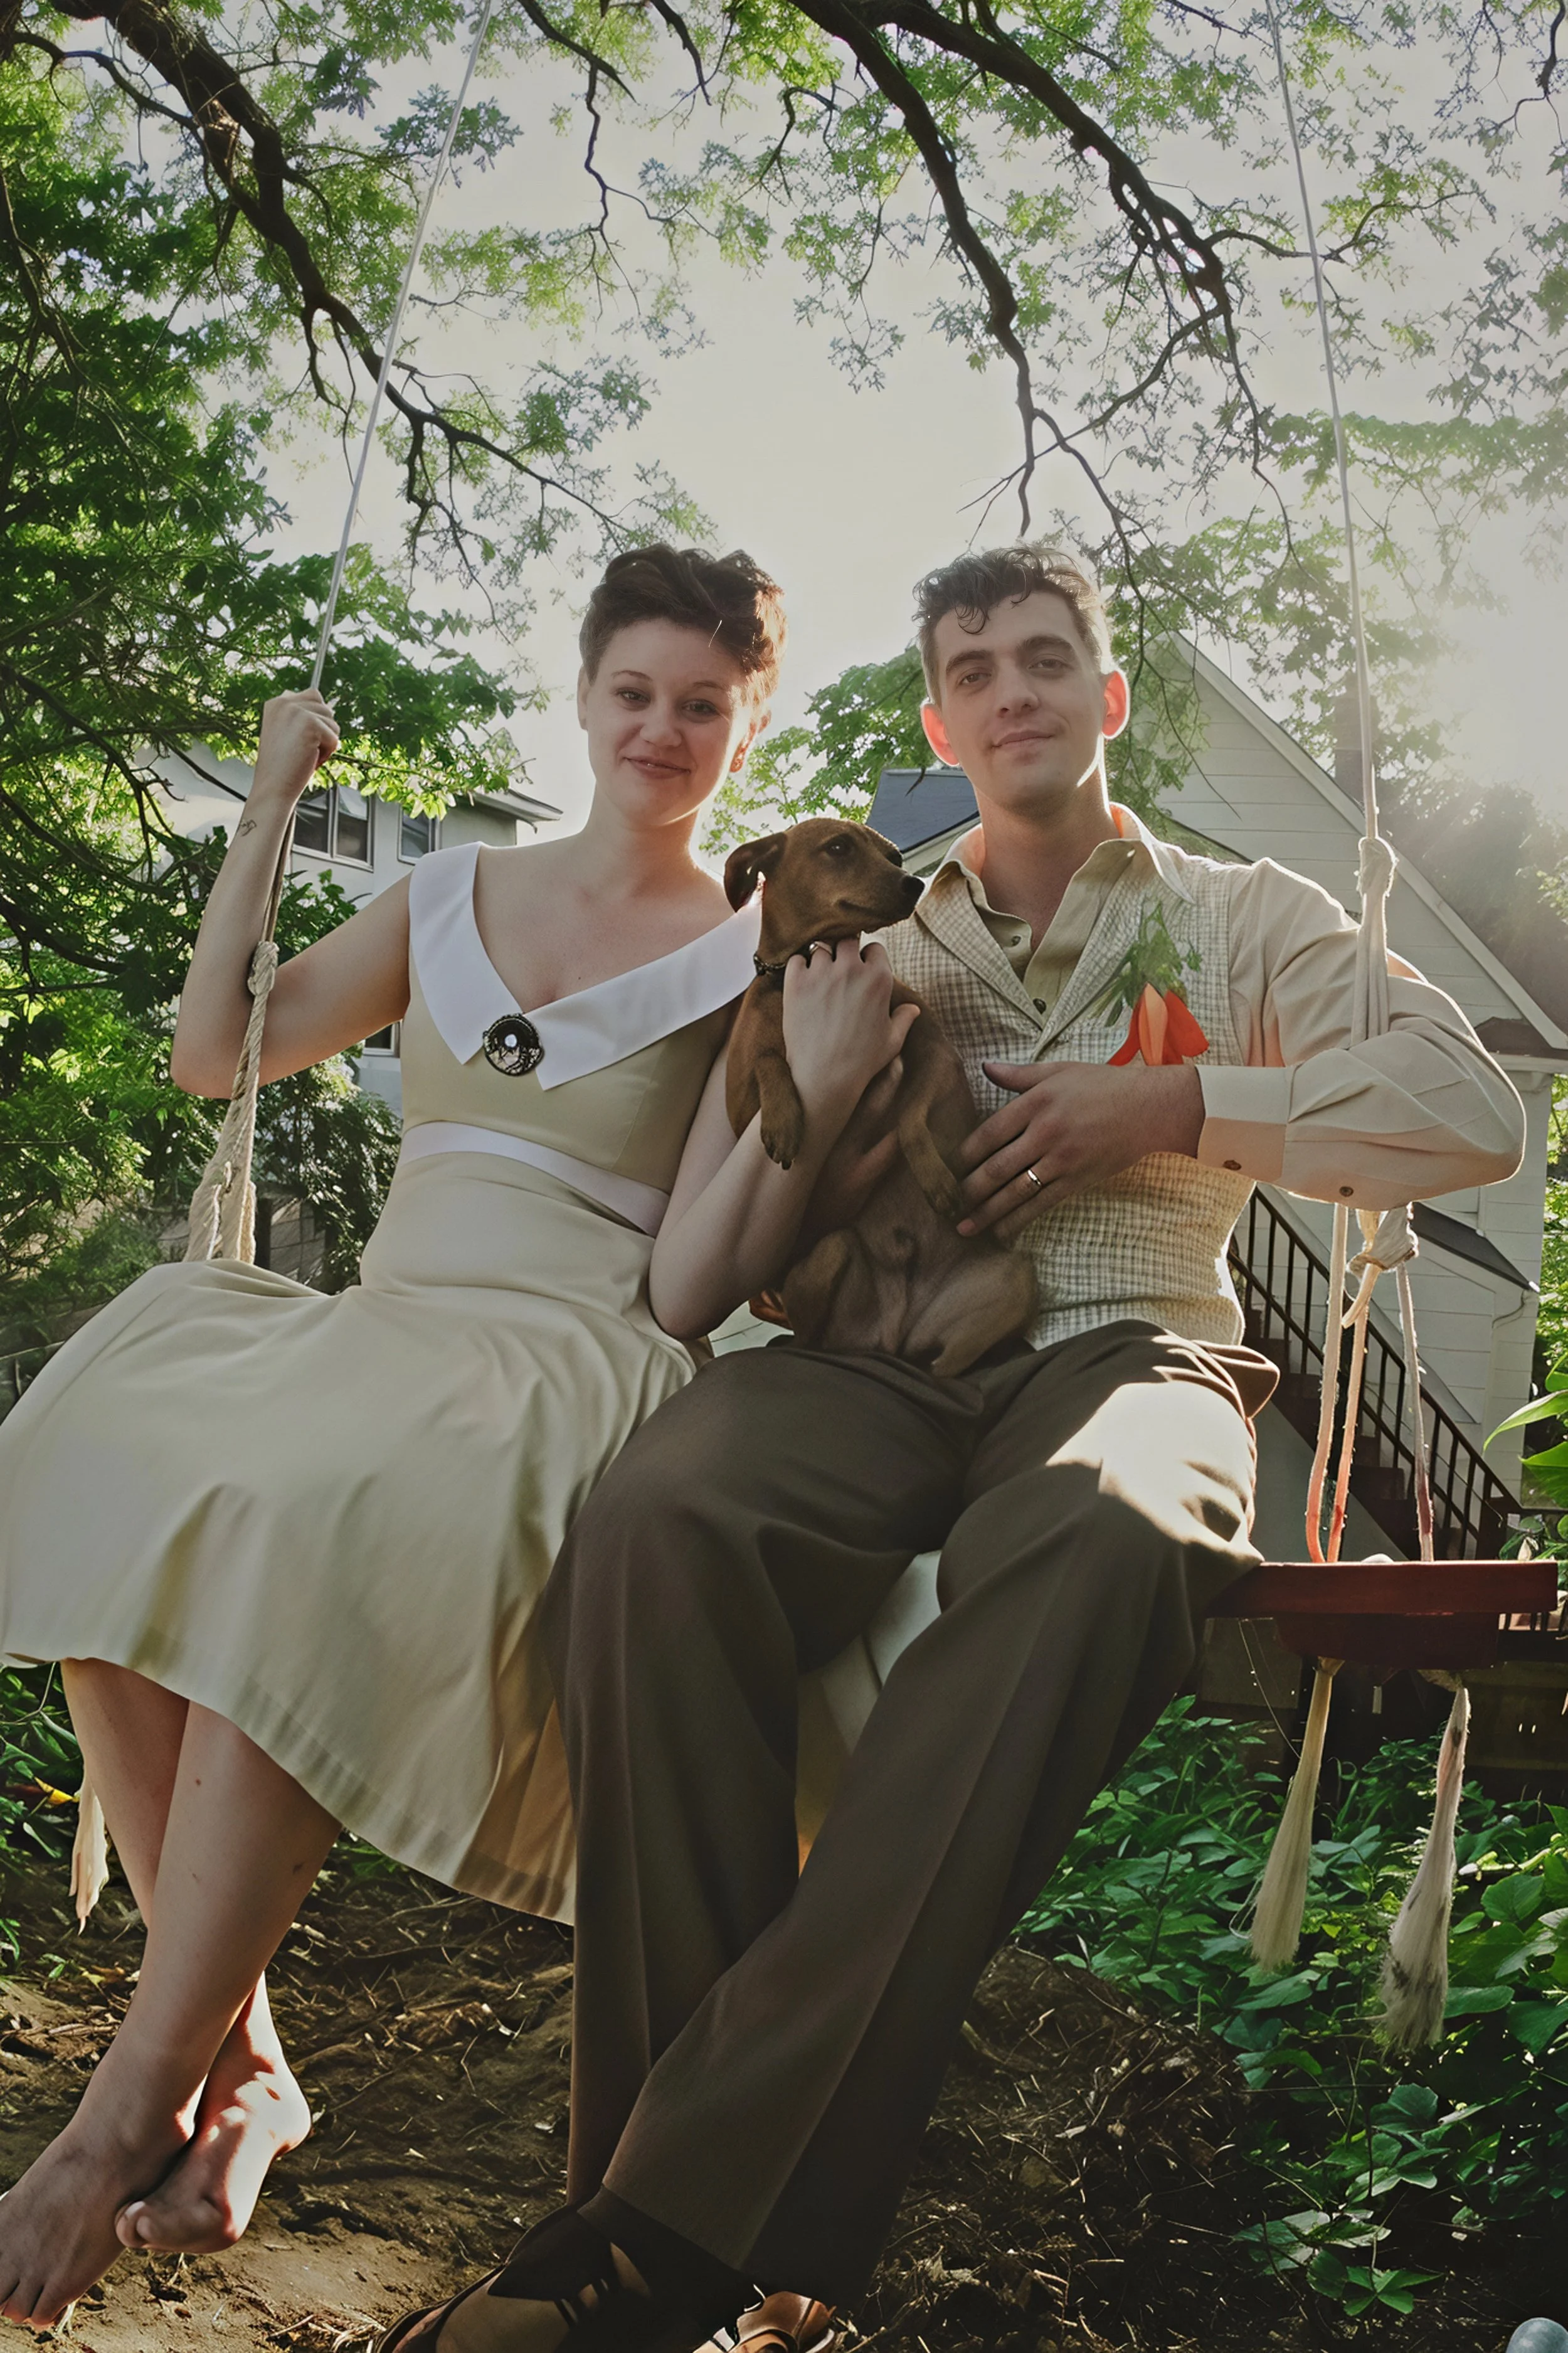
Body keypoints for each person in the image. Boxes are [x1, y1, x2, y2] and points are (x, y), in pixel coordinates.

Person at [379, 543, 1528, 2353]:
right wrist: (817, 1088)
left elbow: (1469, 1111)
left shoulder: (1245, 919)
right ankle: (662, 2223)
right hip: (874, 1361)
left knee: (1101, 1523)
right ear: (938, 718)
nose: (1011, 690)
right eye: (973, 666)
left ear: (1104, 697)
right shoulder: (872, 941)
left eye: (1046, 658)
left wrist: (1177, 1100)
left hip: (1130, 1341)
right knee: (666, 1507)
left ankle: (632, 2251)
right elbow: (711, 1231)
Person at [0, 545, 908, 2337]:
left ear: (746, 725)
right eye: (634, 691)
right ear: (580, 695)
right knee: (103, 1448)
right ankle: (245, 2059)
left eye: (702, 705)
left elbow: (694, 1267)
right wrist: (267, 807)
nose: (662, 729)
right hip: (389, 1326)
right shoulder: (446, 895)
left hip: (563, 1358)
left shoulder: (755, 949)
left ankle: (121, 2113)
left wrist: (816, 1065)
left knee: (317, 1515)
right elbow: (211, 1055)